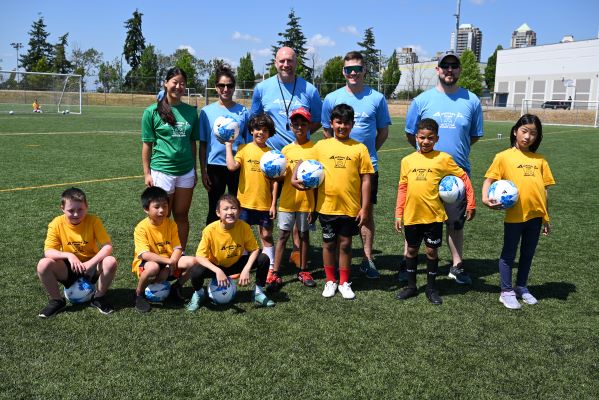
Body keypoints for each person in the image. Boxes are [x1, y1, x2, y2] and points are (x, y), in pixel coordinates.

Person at [404, 50, 483, 285]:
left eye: (454, 66)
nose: (450, 70)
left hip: (455, 175)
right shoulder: (422, 100)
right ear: (437, 69)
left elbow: (473, 136)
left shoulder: (472, 100)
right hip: (424, 172)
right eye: (445, 66)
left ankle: (456, 265)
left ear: (459, 70)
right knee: (416, 218)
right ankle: (406, 262)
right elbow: (411, 134)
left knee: (455, 223)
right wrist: (427, 158)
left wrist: (451, 156)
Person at [321, 50, 391, 279]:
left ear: (364, 71)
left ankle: (368, 259)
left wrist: (364, 156)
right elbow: (326, 130)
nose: (353, 73)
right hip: (337, 167)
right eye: (349, 69)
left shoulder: (377, 98)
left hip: (367, 166)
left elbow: (383, 132)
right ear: (343, 71)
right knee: (335, 212)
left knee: (366, 213)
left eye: (357, 69)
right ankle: (336, 263)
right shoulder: (331, 98)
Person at [251, 46, 323, 268]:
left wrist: (300, 138)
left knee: (298, 206)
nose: (286, 65)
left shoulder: (309, 90)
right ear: (275, 62)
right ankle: (270, 255)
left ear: (296, 62)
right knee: (269, 209)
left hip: (299, 159)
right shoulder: (262, 88)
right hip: (272, 162)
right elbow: (255, 120)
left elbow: (317, 120)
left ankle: (297, 253)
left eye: (290, 61)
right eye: (282, 61)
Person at [394, 119, 476, 305]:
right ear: (416, 137)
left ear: (437, 138)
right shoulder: (407, 161)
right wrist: (399, 213)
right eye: (422, 137)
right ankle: (411, 286)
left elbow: (463, 177)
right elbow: (403, 188)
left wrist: (471, 202)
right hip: (413, 216)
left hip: (434, 216)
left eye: (430, 138)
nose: (425, 141)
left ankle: (431, 288)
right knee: (412, 251)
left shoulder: (443, 159)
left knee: (431, 252)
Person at [482, 114, 555, 309]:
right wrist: (484, 198)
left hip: (536, 217)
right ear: (515, 131)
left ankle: (521, 286)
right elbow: (489, 179)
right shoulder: (503, 157)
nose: (527, 137)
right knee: (509, 254)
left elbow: (544, 191)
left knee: (528, 253)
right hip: (515, 216)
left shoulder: (540, 160)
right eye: (524, 131)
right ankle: (506, 291)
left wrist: (546, 218)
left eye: (533, 133)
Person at [315, 104, 374, 299]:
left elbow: (366, 179)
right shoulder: (321, 146)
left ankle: (344, 282)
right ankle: (330, 280)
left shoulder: (359, 148)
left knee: (346, 244)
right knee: (329, 244)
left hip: (350, 207)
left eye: (346, 123)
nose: (342, 126)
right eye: (338, 122)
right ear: (331, 123)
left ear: (352, 124)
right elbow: (306, 168)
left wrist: (365, 207)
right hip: (326, 206)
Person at [180, 194, 275, 310]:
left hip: (236, 263)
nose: (230, 212)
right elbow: (200, 257)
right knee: (195, 271)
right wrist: (217, 270)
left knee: (263, 258)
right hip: (216, 265)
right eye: (225, 209)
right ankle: (199, 294)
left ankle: (258, 293)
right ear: (218, 213)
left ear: (239, 211)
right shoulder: (210, 230)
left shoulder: (244, 227)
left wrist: (246, 269)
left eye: (233, 208)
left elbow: (255, 249)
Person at [141, 67, 200, 252]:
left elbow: (192, 143)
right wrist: (146, 173)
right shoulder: (151, 112)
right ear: (166, 83)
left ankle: (179, 256)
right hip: (162, 171)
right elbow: (147, 145)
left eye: (182, 83)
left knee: (181, 215)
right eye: (174, 82)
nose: (178, 86)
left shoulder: (191, 112)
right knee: (161, 217)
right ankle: (162, 257)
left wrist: (195, 170)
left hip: (186, 172)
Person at [36, 188, 117, 317]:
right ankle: (57, 301)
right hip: (68, 267)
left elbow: (107, 246)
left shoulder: (93, 221)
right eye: (71, 210)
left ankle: (99, 298)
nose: (75, 214)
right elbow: (48, 251)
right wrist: (69, 255)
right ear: (62, 208)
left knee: (110, 261)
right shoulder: (56, 223)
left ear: (86, 207)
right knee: (43, 264)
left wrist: (90, 263)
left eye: (80, 209)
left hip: (90, 266)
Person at [268, 107, 318, 292]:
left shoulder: (316, 149)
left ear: (309, 126)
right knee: (282, 235)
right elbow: (281, 177)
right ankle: (275, 273)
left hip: (307, 203)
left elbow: (320, 179)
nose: (299, 126)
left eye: (303, 123)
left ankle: (303, 271)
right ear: (290, 126)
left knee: (304, 235)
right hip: (287, 202)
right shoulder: (286, 150)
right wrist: (273, 175)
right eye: (295, 123)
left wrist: (315, 207)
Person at [225, 114, 278, 271]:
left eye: (265, 130)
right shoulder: (244, 149)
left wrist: (274, 203)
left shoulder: (272, 154)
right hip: (245, 203)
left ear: (270, 133)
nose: (260, 132)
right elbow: (232, 167)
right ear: (251, 131)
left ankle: (270, 267)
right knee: (241, 235)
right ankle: (241, 266)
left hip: (264, 204)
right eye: (257, 129)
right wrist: (228, 146)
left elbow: (275, 181)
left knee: (266, 235)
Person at [132, 186, 196, 313]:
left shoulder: (171, 224)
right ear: (146, 209)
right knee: (153, 267)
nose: (162, 210)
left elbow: (178, 248)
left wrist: (170, 264)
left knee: (193, 262)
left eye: (165, 206)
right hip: (150, 263)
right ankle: (138, 294)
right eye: (157, 207)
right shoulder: (141, 228)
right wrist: (168, 263)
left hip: (169, 262)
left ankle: (176, 288)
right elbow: (144, 254)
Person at [199, 66, 250, 225]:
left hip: (237, 166)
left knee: (238, 208)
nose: (225, 89)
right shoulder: (206, 111)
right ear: (216, 87)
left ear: (234, 87)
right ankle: (211, 246)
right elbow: (203, 144)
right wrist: (204, 171)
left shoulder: (243, 111)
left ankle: (239, 246)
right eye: (222, 85)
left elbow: (248, 144)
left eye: (229, 85)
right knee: (215, 208)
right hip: (215, 166)